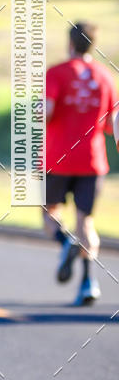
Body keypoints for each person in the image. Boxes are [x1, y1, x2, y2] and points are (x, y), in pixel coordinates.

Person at [43, 22, 118, 306]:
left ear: (70, 44)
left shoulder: (56, 73)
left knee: (49, 213)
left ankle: (65, 244)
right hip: (92, 160)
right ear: (93, 45)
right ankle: (89, 283)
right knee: (85, 222)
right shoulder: (105, 76)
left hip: (58, 158)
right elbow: (112, 126)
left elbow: (47, 113)